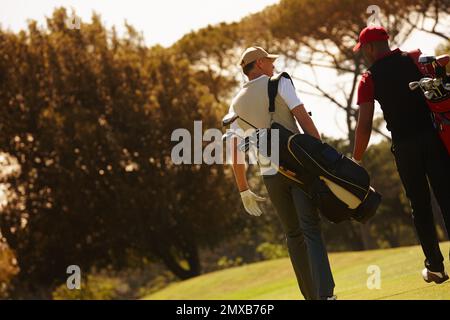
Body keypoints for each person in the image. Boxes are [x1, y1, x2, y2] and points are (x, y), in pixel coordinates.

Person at [227, 46, 336, 300]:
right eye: (269, 61)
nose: (273, 65)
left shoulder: (235, 102)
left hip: (269, 174)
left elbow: (234, 151)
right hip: (297, 165)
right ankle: (326, 296)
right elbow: (303, 119)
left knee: (293, 234)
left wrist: (243, 189)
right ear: (260, 63)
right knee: (310, 229)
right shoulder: (280, 82)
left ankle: (311, 297)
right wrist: (321, 154)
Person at [352, 26, 450, 284]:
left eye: (363, 50)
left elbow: (364, 127)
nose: (363, 55)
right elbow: (440, 69)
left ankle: (436, 268)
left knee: (420, 206)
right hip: (433, 140)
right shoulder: (414, 58)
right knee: (448, 199)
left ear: (370, 48)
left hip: (405, 149)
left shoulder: (368, 79)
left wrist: (356, 160)